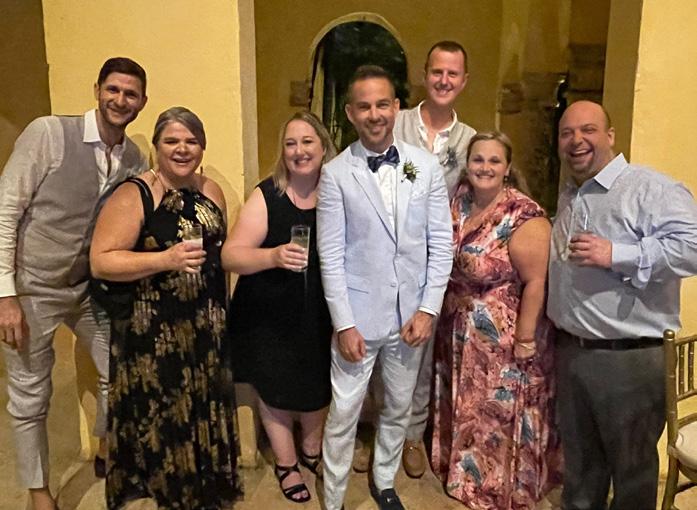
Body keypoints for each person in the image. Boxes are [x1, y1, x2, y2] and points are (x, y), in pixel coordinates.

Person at [0, 57, 147, 510]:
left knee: (120, 370)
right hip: (31, 287)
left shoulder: (134, 158)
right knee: (30, 395)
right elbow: (6, 210)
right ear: (97, 89)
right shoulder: (49, 133)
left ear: (142, 102)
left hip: (86, 288)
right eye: (113, 89)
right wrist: (5, 294)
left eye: (130, 94)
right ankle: (39, 491)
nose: (120, 100)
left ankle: (105, 447)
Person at [90, 107, 242, 509]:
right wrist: (164, 259)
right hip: (155, 332)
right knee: (165, 416)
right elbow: (101, 261)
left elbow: (218, 258)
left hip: (205, 325)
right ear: (156, 146)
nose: (182, 149)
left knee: (201, 408)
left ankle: (201, 487)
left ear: (203, 147)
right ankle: (170, 492)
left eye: (191, 141)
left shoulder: (212, 191)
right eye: (172, 141)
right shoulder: (136, 193)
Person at [548, 100, 697, 510]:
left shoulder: (650, 189)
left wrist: (617, 253)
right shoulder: (572, 192)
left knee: (632, 478)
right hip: (573, 353)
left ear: (611, 136)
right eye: (566, 133)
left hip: (629, 359)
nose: (576, 141)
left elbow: (692, 248)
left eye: (588, 130)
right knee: (580, 473)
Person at [317, 65, 452, 510]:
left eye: (382, 104)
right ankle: (333, 497)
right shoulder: (336, 173)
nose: (374, 114)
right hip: (358, 318)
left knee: (398, 406)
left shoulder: (425, 166)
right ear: (350, 113)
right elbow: (330, 256)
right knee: (344, 413)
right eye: (364, 106)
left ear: (396, 107)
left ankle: (383, 481)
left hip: (410, 317)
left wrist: (428, 309)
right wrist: (344, 324)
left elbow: (440, 244)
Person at [430, 132, 561, 509]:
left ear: (507, 167)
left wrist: (525, 339)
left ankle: (494, 488)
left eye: (494, 161)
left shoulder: (522, 214)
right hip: (458, 328)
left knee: (495, 412)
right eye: (478, 159)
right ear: (467, 164)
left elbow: (536, 282)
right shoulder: (460, 199)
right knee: (469, 407)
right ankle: (465, 477)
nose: (484, 167)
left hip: (503, 335)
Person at [223, 111, 336, 503]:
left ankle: (311, 449)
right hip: (267, 311)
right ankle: (287, 463)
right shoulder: (268, 194)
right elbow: (230, 256)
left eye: (307, 141)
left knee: (320, 381)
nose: (299, 151)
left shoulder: (338, 192)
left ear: (323, 146)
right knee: (273, 385)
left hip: (320, 310)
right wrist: (272, 256)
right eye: (291, 143)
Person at [392, 39, 476, 479]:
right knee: (375, 345)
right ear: (424, 75)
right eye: (437, 72)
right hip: (385, 252)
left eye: (452, 74)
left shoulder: (469, 140)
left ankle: (411, 435)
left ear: (464, 81)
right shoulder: (395, 122)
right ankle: (376, 431)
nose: (444, 80)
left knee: (418, 351)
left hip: (432, 259)